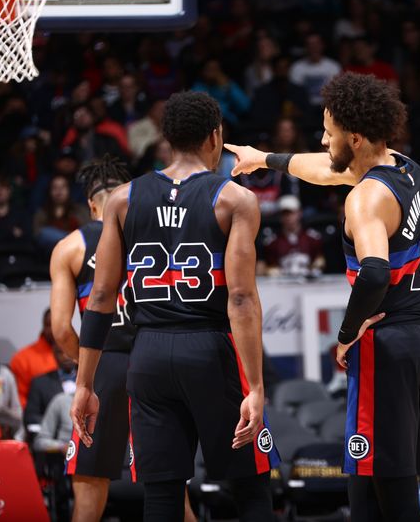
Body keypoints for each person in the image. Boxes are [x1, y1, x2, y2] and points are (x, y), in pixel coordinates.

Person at [227, 72, 420, 521]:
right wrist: (265, 159)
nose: (323, 141)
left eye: (328, 134)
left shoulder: (366, 199)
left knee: (392, 497)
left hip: (389, 346)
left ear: (353, 137)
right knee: (372, 487)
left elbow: (373, 273)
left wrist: (347, 333)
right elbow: (326, 169)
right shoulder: (408, 169)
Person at [70, 91, 278, 521]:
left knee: (162, 496)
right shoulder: (235, 199)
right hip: (209, 350)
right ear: (215, 137)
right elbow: (240, 298)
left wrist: (85, 384)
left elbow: (102, 298)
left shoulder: (123, 199)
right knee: (251, 487)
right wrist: (255, 387)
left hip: (146, 357)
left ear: (166, 138)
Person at [50, 156, 173, 522]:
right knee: (167, 485)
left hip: (104, 365)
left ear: (90, 204)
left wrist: (90, 364)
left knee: (89, 485)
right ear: (129, 196)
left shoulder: (69, 247)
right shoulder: (156, 234)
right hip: (153, 359)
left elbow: (60, 329)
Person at [9, 308, 58, 410]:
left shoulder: (78, 355)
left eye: (57, 324)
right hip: (37, 420)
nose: (54, 329)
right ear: (43, 326)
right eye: (49, 325)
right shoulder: (22, 358)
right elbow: (19, 397)